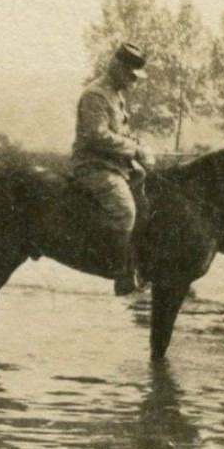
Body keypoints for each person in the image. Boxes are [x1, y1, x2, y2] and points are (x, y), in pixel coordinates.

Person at [71, 42, 152, 295]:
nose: (133, 82)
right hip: (94, 166)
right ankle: (120, 273)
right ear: (117, 67)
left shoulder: (116, 94)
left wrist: (139, 145)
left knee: (148, 200)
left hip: (117, 166)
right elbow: (96, 135)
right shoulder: (95, 94)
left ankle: (140, 265)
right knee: (125, 210)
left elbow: (121, 131)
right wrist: (135, 150)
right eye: (130, 75)